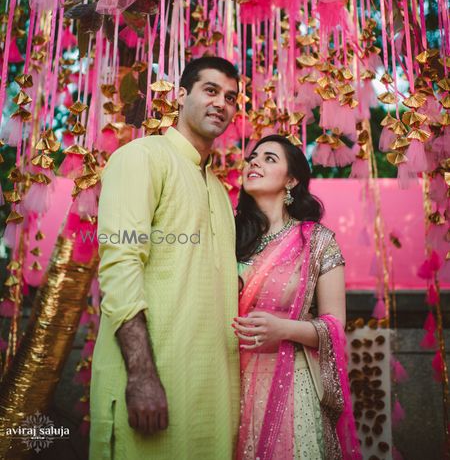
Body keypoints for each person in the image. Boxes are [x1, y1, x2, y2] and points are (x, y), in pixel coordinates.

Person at [90, 56, 241, 460]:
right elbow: (120, 265)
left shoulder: (220, 190)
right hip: (152, 384)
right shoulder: (142, 157)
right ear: (179, 96)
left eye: (230, 97)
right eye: (210, 91)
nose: (221, 104)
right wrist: (141, 375)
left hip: (210, 395)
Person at [233, 134, 361, 460]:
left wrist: (284, 329)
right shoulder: (229, 235)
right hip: (230, 379)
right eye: (253, 157)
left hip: (293, 382)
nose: (255, 162)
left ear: (291, 179)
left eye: (269, 158)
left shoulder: (317, 242)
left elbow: (334, 325)